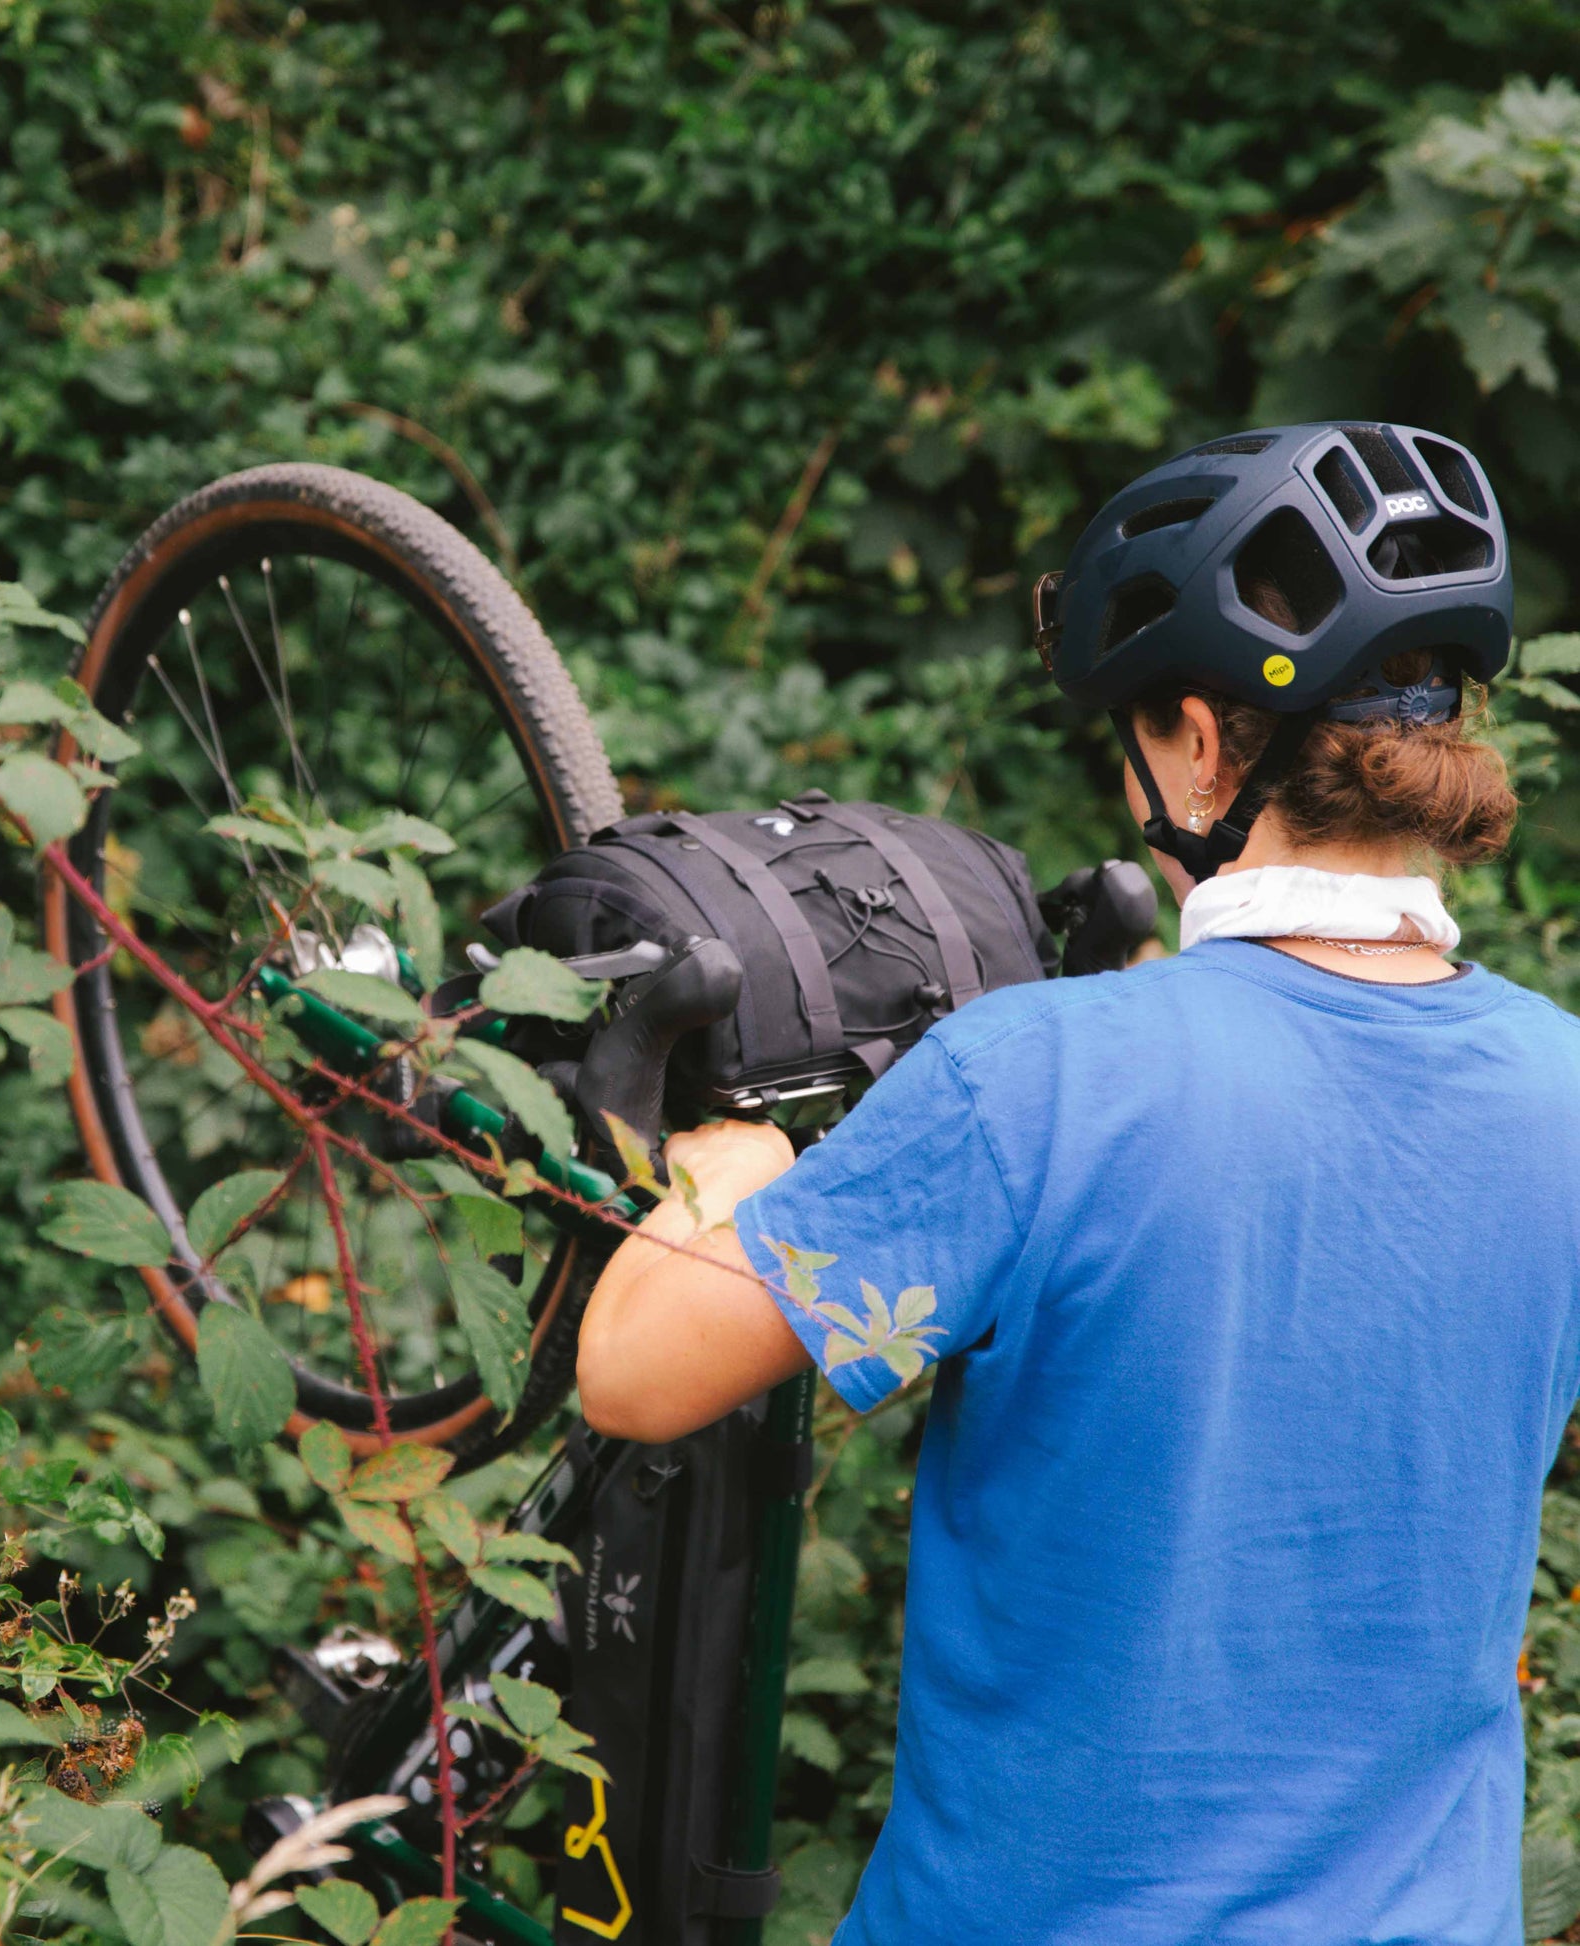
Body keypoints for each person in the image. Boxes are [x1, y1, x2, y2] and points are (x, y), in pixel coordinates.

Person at [575, 423, 1580, 1945]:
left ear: (1199, 744)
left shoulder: (1039, 1079)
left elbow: (636, 1374)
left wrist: (737, 1170)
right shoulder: (1560, 1085)